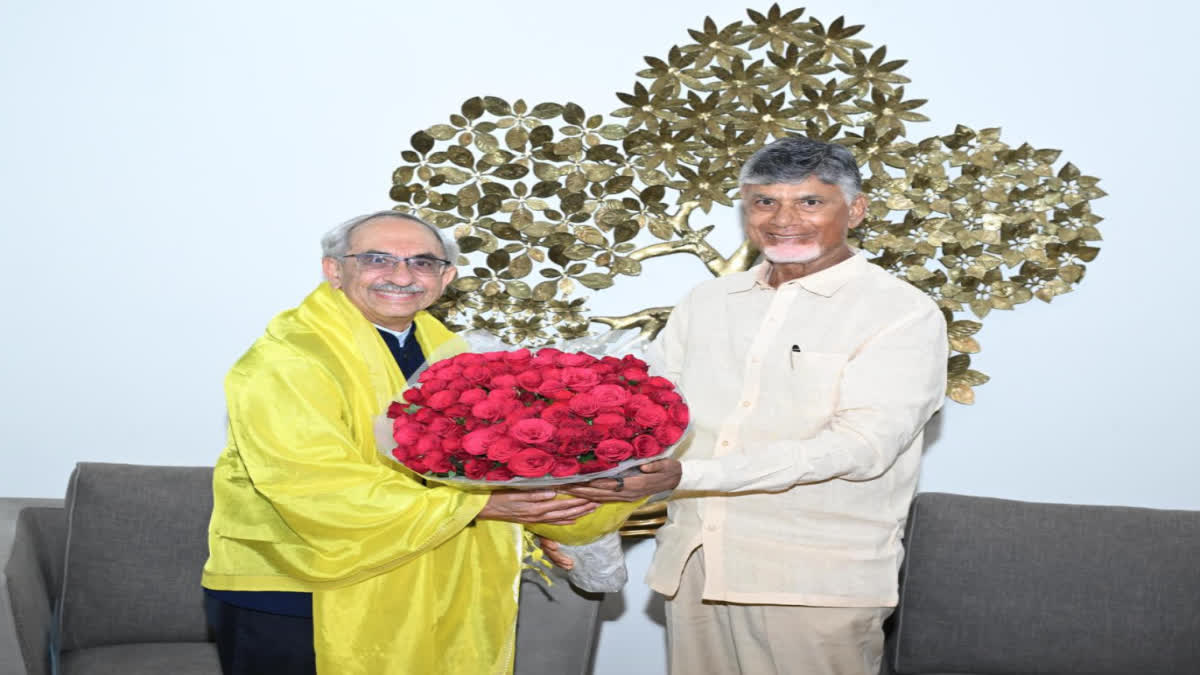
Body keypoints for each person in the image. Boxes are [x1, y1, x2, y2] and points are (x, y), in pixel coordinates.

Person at [567, 136, 949, 675]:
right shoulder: (707, 301)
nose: (783, 219)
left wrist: (685, 474)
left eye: (811, 202)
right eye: (764, 201)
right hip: (696, 566)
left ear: (856, 210)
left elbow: (862, 448)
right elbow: (647, 410)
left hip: (813, 580)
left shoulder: (900, 313)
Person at [201, 211, 602, 675]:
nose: (400, 275)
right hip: (293, 586)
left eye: (423, 263)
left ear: (446, 277)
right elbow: (314, 486)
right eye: (377, 259)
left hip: (421, 573)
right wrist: (482, 507)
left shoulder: (454, 354)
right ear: (334, 269)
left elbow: (482, 468)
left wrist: (553, 512)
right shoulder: (284, 359)